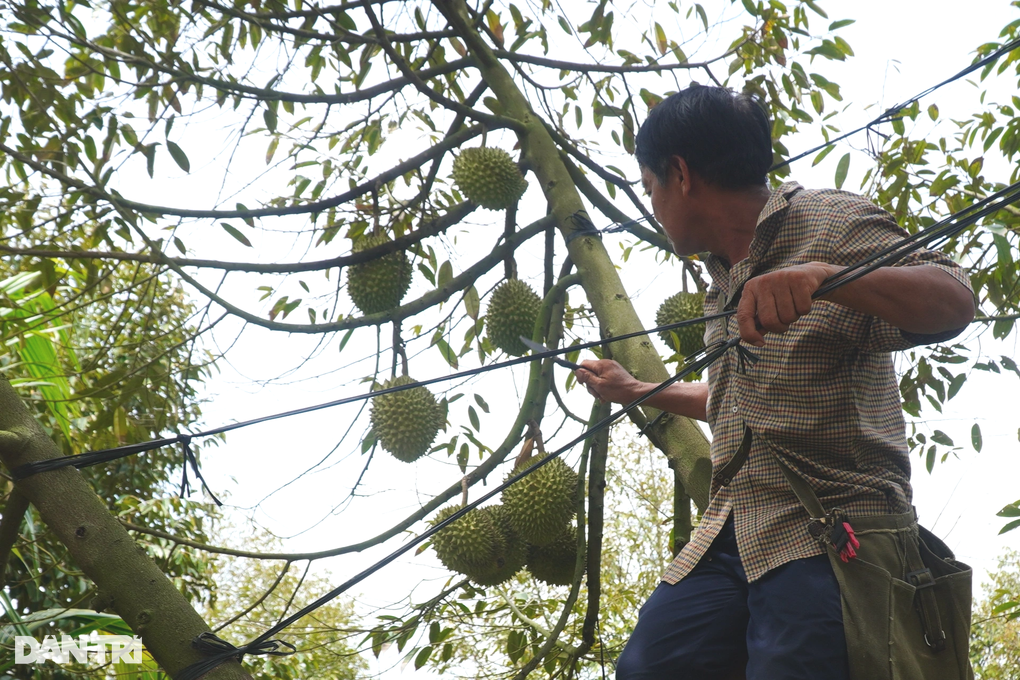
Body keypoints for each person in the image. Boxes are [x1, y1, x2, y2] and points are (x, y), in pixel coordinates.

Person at [574, 84, 975, 680]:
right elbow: (737, 405)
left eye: (649, 185)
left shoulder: (828, 220)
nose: (652, 204)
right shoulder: (721, 283)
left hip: (830, 529)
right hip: (731, 527)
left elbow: (954, 300)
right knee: (648, 664)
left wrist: (826, 277)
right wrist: (638, 391)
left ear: (680, 174)